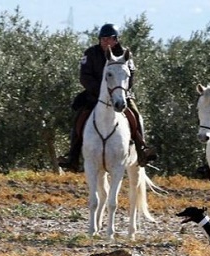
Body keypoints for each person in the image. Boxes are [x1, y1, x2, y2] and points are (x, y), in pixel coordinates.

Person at [58, 23, 157, 171]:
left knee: (135, 115)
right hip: (95, 95)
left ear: (116, 40)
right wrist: (100, 91)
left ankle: (142, 149)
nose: (106, 42)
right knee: (80, 117)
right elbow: (84, 76)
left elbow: (130, 76)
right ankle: (72, 155)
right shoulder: (90, 53)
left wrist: (120, 91)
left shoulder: (125, 54)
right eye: (103, 39)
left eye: (109, 39)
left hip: (121, 94)